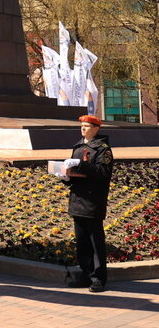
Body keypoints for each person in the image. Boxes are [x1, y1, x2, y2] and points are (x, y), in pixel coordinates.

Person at [64, 115, 113, 293]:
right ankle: (86, 274)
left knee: (95, 242)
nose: (83, 129)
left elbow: (102, 172)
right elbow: (74, 171)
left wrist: (82, 166)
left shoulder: (103, 149)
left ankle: (98, 278)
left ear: (96, 128)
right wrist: (66, 177)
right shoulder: (78, 146)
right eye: (82, 126)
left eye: (86, 126)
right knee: (82, 241)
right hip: (78, 199)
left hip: (93, 201)